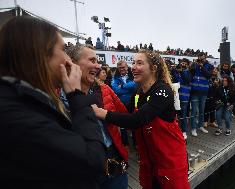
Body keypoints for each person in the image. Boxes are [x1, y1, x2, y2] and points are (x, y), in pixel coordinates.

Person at [0, 16, 105, 189]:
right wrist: (77, 96)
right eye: (63, 50)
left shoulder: (23, 100)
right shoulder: (14, 113)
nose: (68, 60)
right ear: (39, 54)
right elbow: (91, 161)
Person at [93, 50, 190, 189]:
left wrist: (102, 113)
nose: (133, 67)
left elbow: (136, 120)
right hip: (149, 162)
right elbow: (127, 115)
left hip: (170, 162)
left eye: (139, 63)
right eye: (133, 63)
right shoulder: (138, 92)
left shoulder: (163, 90)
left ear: (154, 68)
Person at [65, 44, 129, 189]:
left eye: (97, 61)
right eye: (92, 60)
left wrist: (106, 115)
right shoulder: (56, 96)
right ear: (73, 63)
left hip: (116, 170)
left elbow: (125, 115)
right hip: (82, 174)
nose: (98, 66)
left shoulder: (104, 89)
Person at [112, 60, 137, 146]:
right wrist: (129, 89)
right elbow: (116, 90)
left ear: (127, 67)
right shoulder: (115, 78)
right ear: (118, 69)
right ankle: (125, 144)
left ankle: (136, 143)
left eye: (123, 67)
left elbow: (135, 84)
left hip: (134, 102)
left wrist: (123, 86)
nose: (122, 69)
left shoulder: (132, 74)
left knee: (134, 122)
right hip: (121, 104)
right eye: (120, 68)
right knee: (122, 124)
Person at [190, 52, 212, 137]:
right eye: (200, 58)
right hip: (195, 91)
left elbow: (208, 75)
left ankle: (201, 126)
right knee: (194, 111)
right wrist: (193, 65)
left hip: (204, 91)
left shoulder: (209, 65)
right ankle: (193, 128)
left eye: (202, 58)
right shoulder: (195, 65)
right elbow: (190, 73)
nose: (201, 59)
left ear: (205, 58)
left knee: (202, 111)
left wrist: (202, 66)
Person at [177, 58, 192, 139]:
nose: (183, 64)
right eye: (182, 63)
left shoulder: (188, 72)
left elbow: (187, 80)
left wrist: (181, 71)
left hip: (184, 96)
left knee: (183, 115)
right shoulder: (177, 71)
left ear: (187, 64)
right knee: (175, 115)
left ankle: (184, 131)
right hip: (175, 97)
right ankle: (176, 130)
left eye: (184, 63)